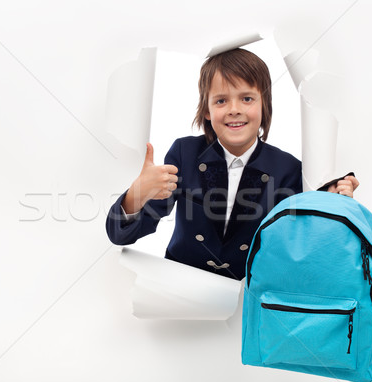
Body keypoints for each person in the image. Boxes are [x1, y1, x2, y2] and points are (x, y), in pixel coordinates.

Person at [105, 48, 359, 280]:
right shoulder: (185, 153)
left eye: (247, 99)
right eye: (221, 100)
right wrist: (137, 194)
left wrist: (332, 203)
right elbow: (120, 235)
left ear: (264, 106)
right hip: (180, 290)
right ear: (206, 110)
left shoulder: (289, 170)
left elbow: (305, 243)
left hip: (246, 300)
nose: (234, 109)